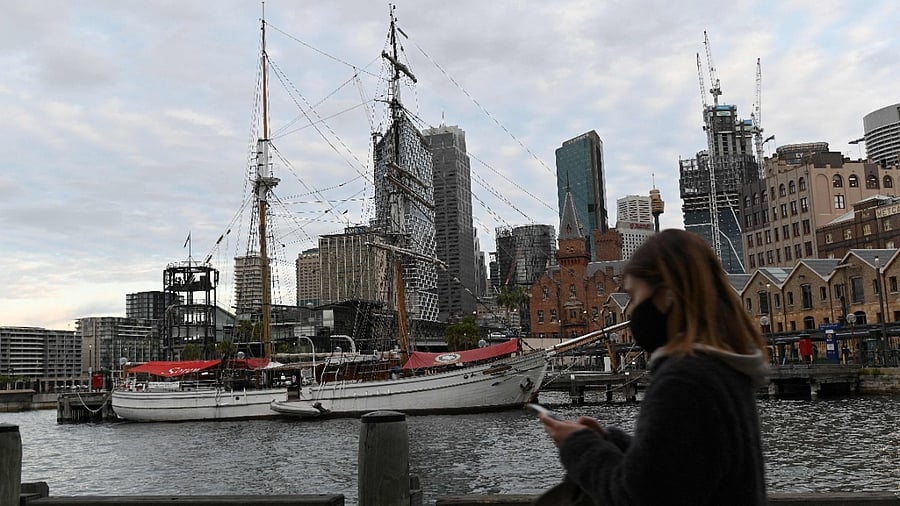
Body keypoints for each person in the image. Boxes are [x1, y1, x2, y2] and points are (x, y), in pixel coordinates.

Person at [538, 229, 769, 505]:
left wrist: (579, 447)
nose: (632, 309)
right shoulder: (723, 367)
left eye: (635, 296)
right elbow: (680, 468)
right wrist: (609, 442)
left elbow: (637, 498)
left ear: (667, 296)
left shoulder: (683, 381)